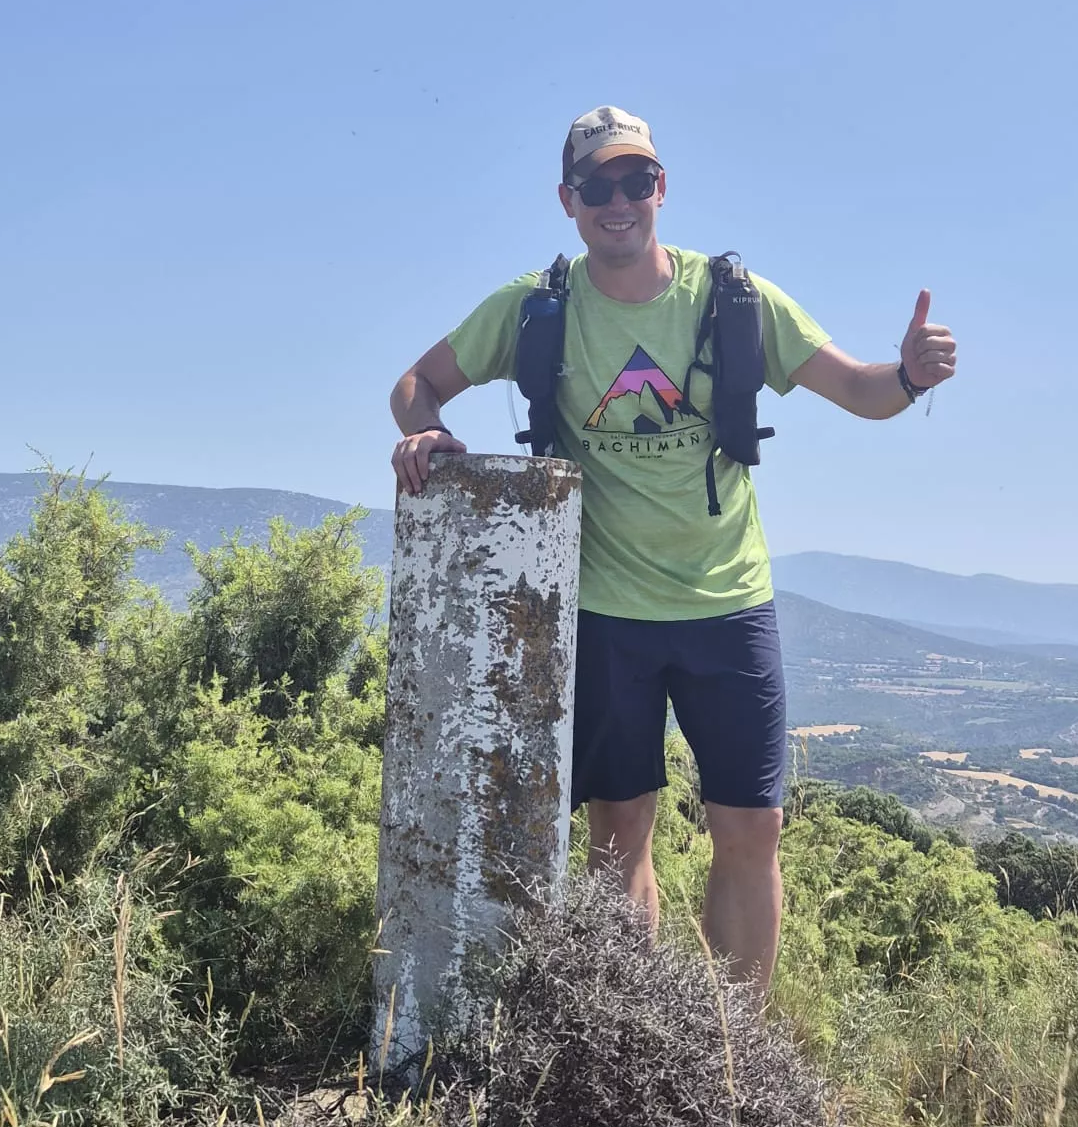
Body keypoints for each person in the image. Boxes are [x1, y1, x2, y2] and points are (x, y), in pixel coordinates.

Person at [389, 105, 957, 996]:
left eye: (635, 180)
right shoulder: (536, 309)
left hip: (729, 606)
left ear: (663, 187)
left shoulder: (731, 299)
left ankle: (737, 1066)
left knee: (752, 831)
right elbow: (415, 383)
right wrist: (426, 433)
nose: (618, 201)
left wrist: (913, 374)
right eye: (597, 186)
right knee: (620, 834)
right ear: (567, 200)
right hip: (608, 611)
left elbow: (859, 389)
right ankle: (630, 1043)